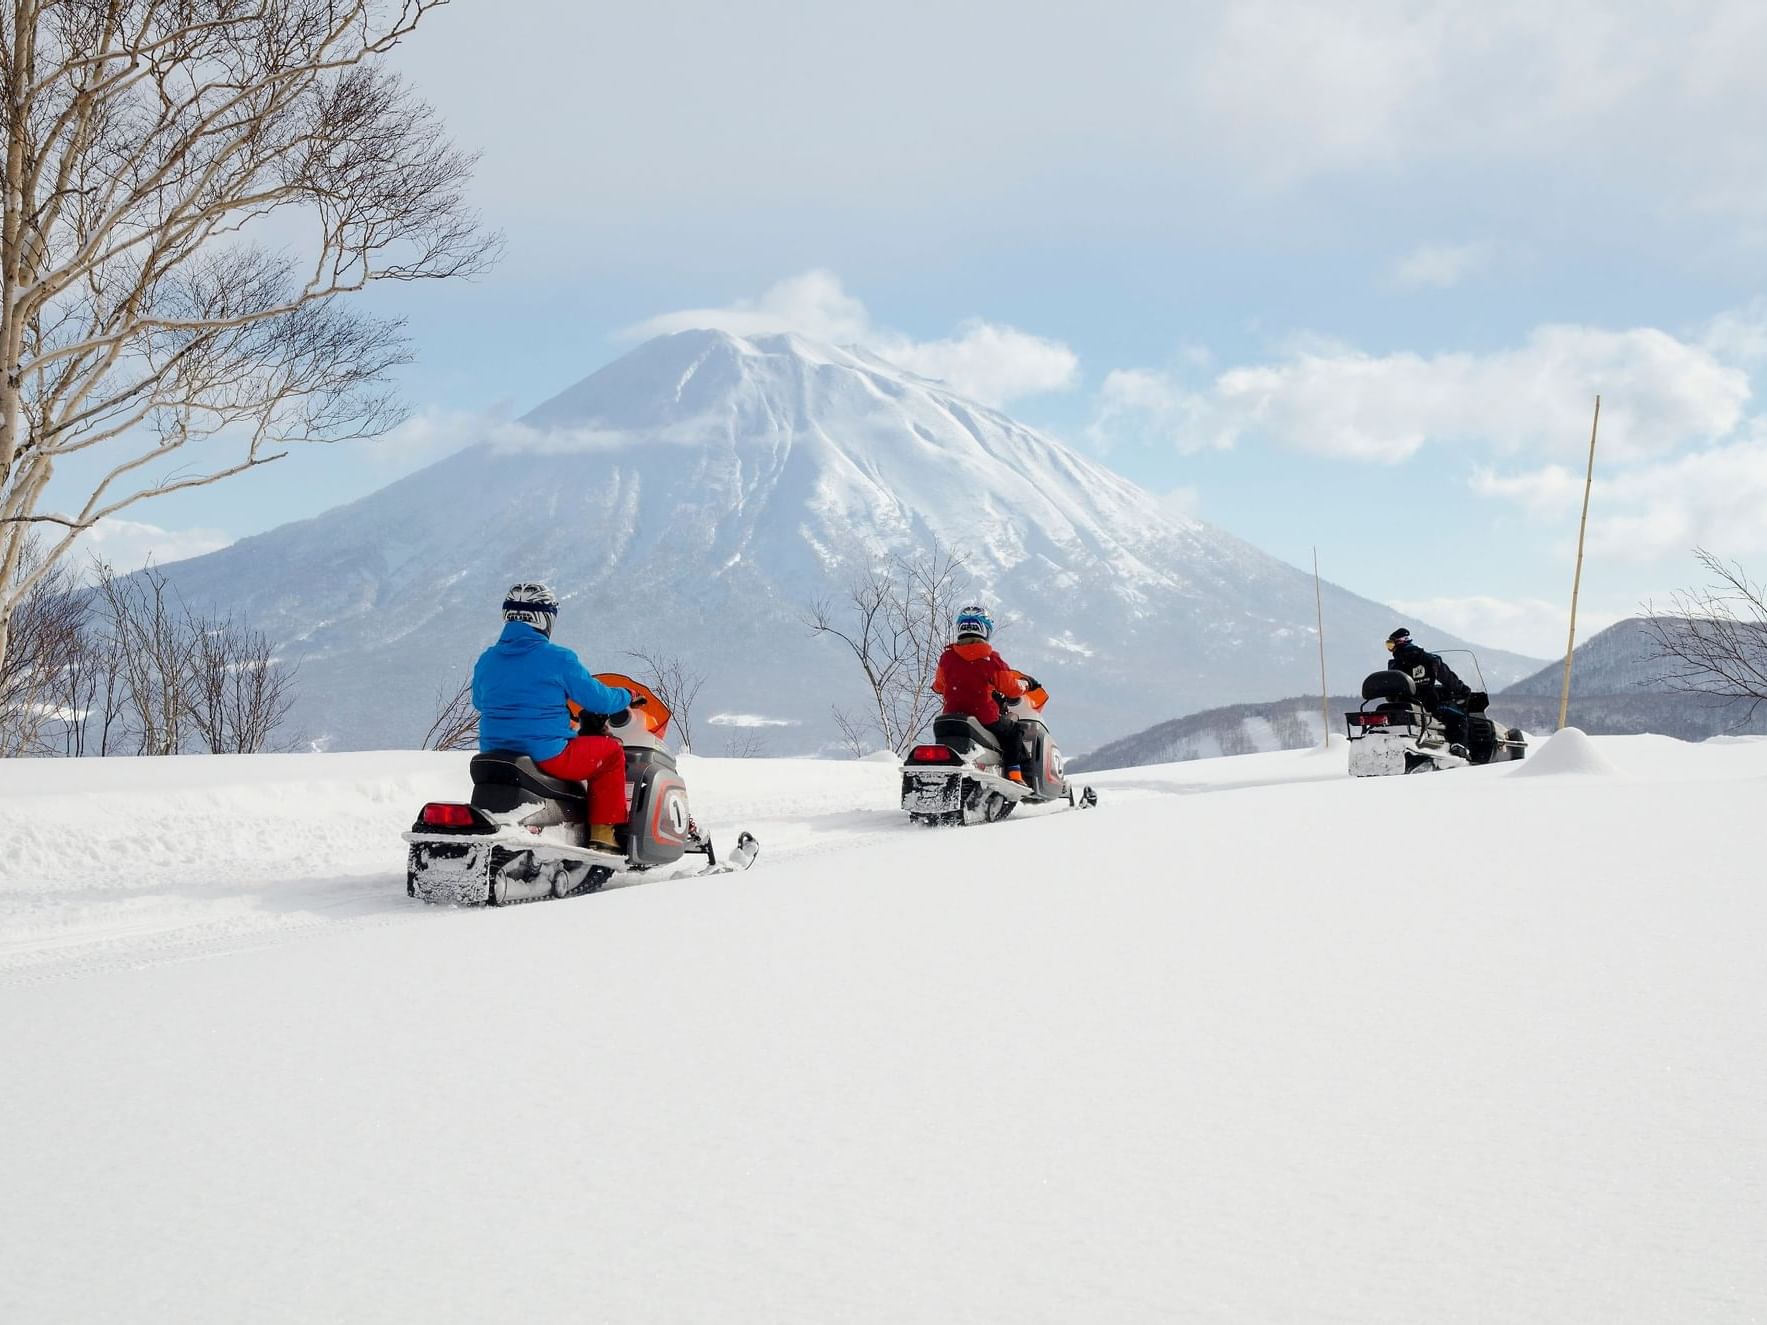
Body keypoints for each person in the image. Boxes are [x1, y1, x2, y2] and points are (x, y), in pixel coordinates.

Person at [472, 582, 635, 852]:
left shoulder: (488, 659)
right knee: (611, 753)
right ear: (545, 618)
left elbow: (480, 701)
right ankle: (604, 835)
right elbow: (599, 700)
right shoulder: (558, 659)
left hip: (494, 752)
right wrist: (627, 695)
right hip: (546, 754)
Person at [933, 604, 1028, 780]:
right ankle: (1015, 774)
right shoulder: (991, 659)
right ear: (985, 630)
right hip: (985, 717)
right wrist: (1024, 686)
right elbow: (1012, 689)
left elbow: (939, 686)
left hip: (952, 715)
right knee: (1014, 731)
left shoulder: (947, 657)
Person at [1385, 626, 1474, 748]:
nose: (1391, 649)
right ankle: (1459, 747)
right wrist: (1463, 690)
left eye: (1391, 645)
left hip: (1403, 705)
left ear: (1401, 642)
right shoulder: (1429, 659)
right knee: (1460, 718)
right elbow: (1448, 679)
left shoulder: (1394, 665)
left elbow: (1390, 691)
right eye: (1388, 645)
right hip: (1429, 705)